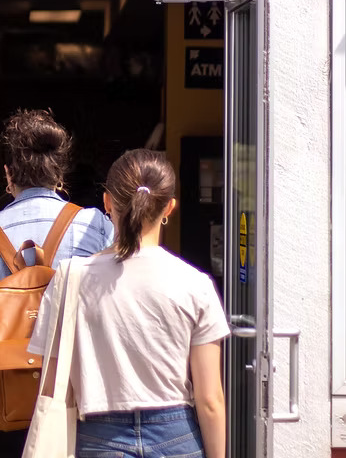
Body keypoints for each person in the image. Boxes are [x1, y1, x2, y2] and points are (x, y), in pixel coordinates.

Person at [0, 108, 113, 458]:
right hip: (77, 403)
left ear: (8, 174)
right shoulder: (96, 226)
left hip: (6, 411)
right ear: (60, 174)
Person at [27, 148, 228, 458]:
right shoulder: (195, 284)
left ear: (107, 202)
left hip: (97, 435)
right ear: (169, 208)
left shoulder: (70, 278)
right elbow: (210, 398)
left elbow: (51, 380)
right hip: (177, 435)